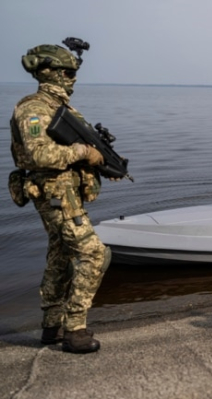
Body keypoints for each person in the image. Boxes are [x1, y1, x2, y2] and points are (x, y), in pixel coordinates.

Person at [9, 39, 111, 354]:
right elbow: (38, 155)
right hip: (55, 196)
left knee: (60, 257)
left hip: (65, 194)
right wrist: (82, 151)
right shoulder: (34, 108)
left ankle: (51, 327)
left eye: (73, 72)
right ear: (50, 73)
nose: (73, 79)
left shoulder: (59, 108)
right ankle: (75, 329)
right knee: (94, 254)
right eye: (67, 73)